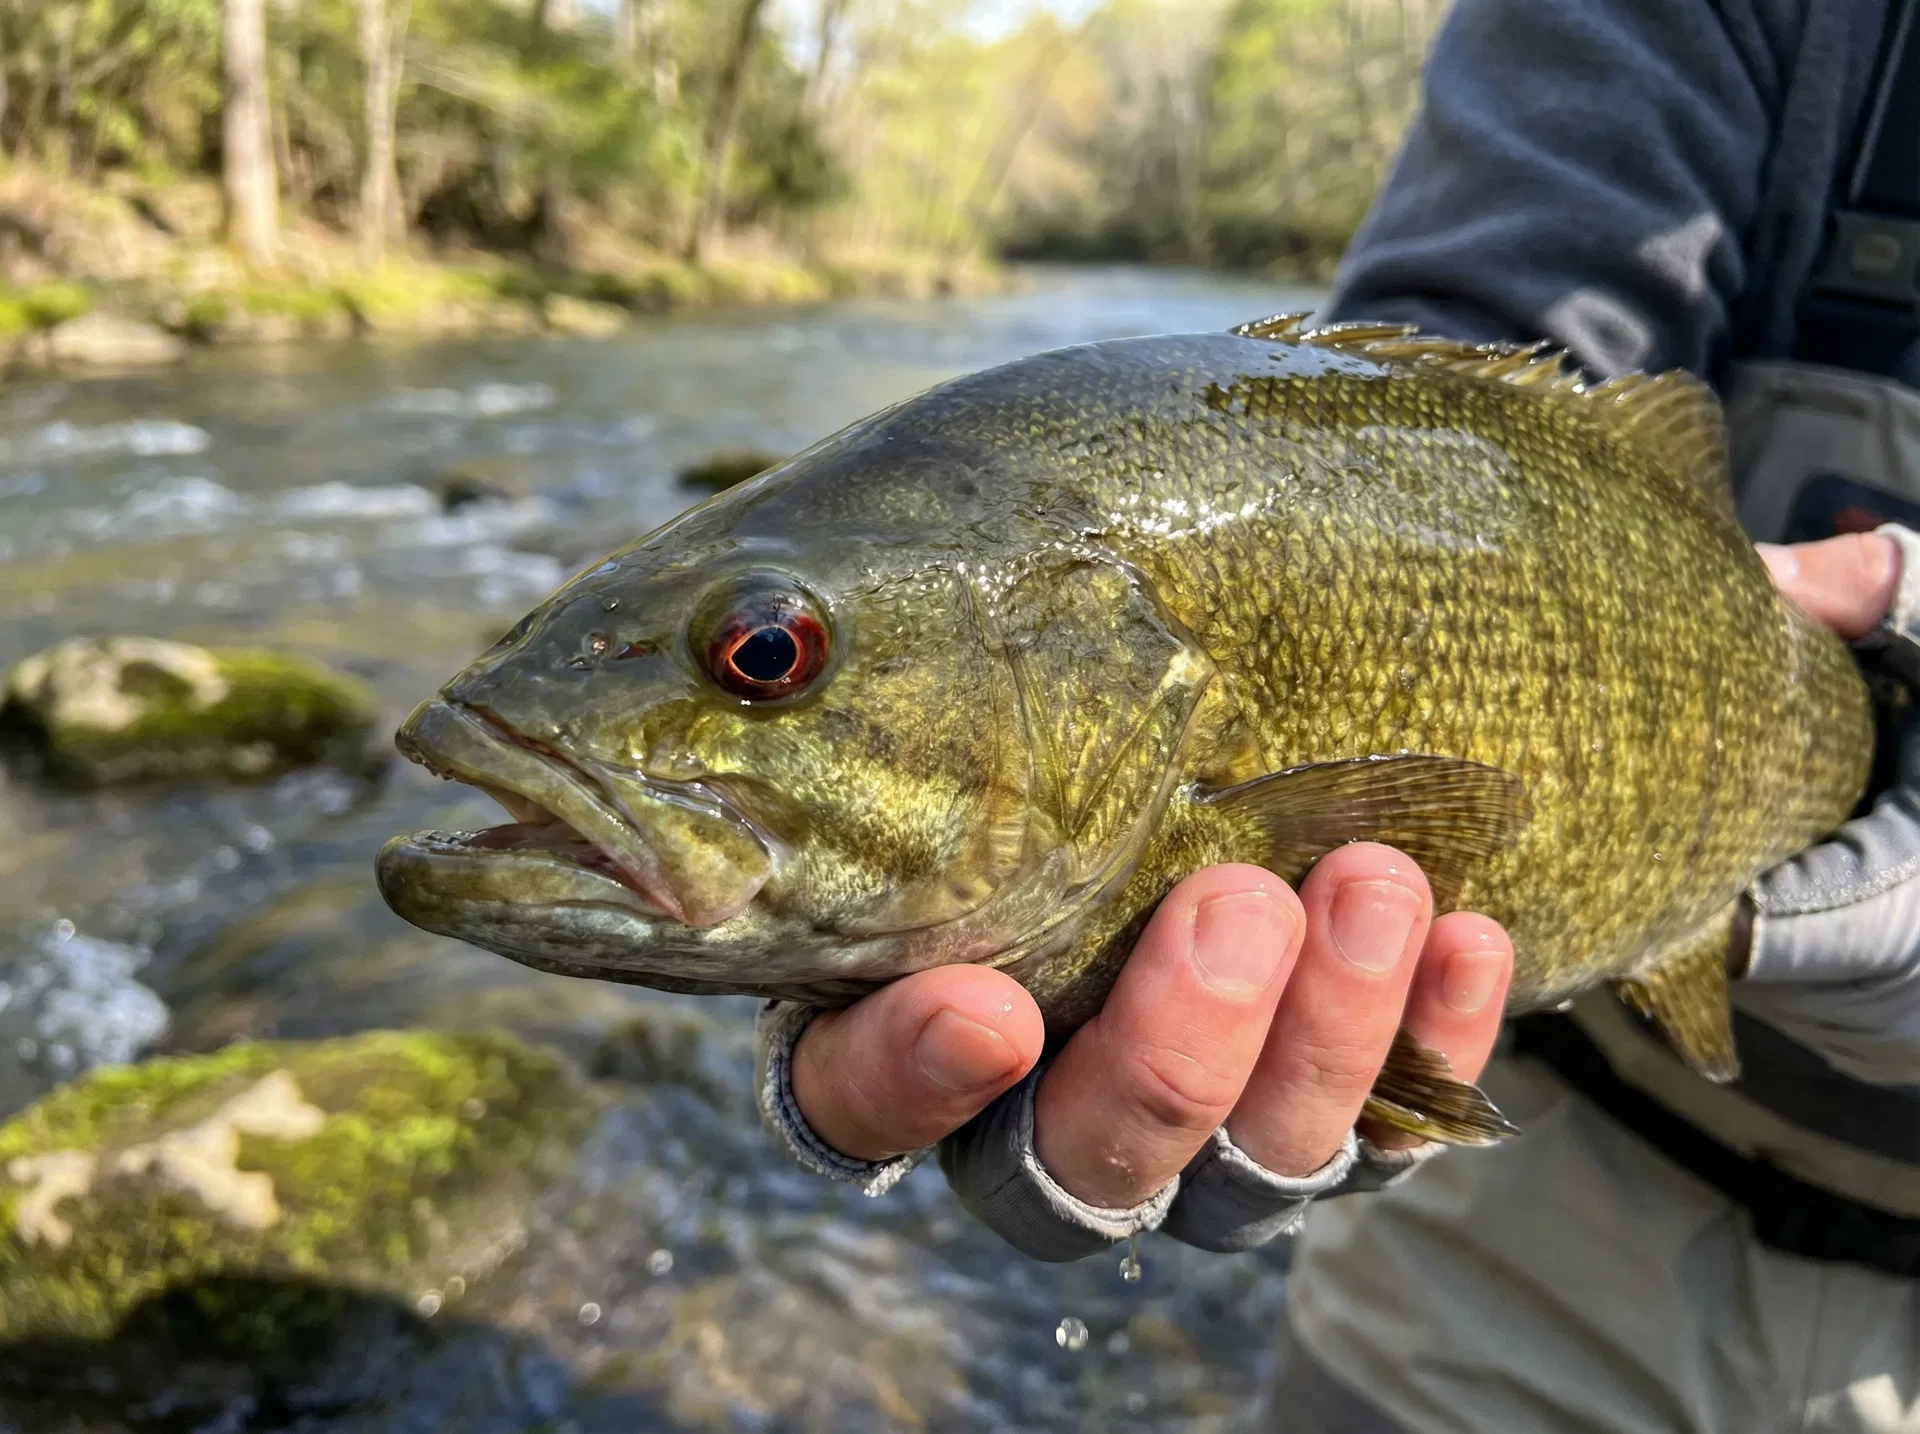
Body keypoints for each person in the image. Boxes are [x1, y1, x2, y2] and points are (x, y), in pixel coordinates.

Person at [750, 0, 1920, 1427]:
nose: (756, 676)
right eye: (766, 658)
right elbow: (1445, 379)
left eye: (763, 661)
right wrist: (868, 931)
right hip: (1528, 1229)